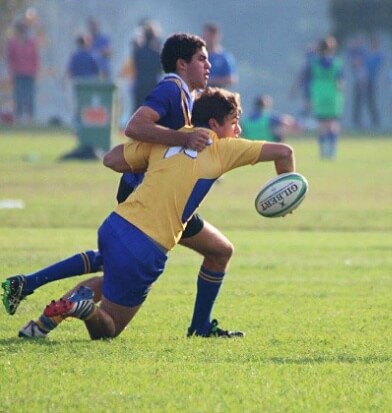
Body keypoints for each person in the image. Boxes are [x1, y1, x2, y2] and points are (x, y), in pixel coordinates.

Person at [18, 87, 296, 340]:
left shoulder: (169, 137)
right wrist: (288, 195)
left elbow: (112, 159)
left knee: (219, 251)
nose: (238, 131)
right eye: (234, 123)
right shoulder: (223, 148)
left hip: (116, 224)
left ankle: (40, 327)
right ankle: (84, 308)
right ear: (214, 125)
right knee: (109, 329)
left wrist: (161, 162)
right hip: (148, 244)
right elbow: (284, 151)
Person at [2, 33, 228, 339]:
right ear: (182, 63)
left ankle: (33, 301)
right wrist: (184, 139)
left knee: (113, 266)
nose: (208, 65)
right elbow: (135, 126)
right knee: (218, 251)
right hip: (152, 199)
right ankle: (199, 327)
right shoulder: (172, 87)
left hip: (153, 196)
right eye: (202, 59)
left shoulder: (184, 95)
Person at [303, 35, 344, 160]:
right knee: (333, 123)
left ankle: (323, 151)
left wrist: (308, 98)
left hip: (319, 94)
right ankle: (332, 151)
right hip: (333, 95)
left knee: (322, 125)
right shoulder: (337, 63)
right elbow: (340, 83)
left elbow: (307, 79)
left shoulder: (313, 62)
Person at [6, 19, 39, 125]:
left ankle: (30, 117)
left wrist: (35, 71)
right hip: (18, 74)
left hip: (30, 73)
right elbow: (10, 58)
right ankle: (18, 116)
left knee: (29, 95)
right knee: (18, 95)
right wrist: (11, 72)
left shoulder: (31, 43)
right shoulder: (12, 43)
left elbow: (35, 58)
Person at [132, 20, 163, 111]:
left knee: (137, 111)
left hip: (140, 85)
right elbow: (160, 70)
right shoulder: (157, 55)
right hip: (153, 86)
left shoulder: (138, 53)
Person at [202, 23, 238, 88]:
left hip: (217, 93)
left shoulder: (225, 57)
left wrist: (210, 80)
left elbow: (231, 79)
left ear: (215, 36)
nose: (204, 38)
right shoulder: (199, 55)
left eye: (207, 35)